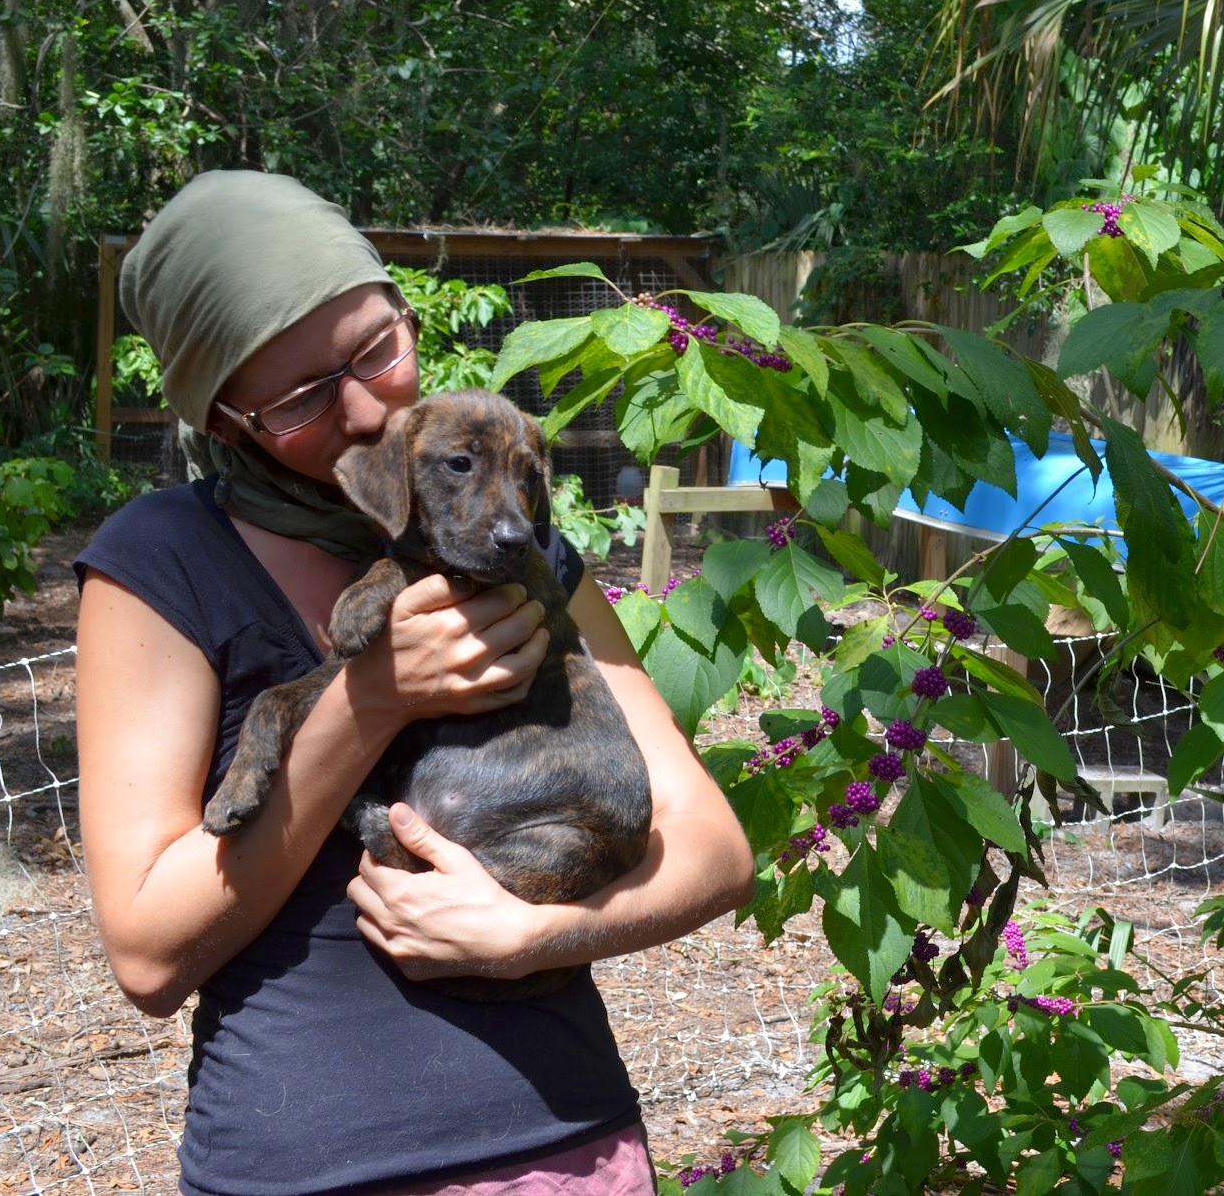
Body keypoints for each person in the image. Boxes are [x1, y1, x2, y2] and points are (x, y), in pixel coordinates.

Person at [73, 171, 754, 1196]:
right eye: (299, 397)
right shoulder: (164, 563)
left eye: (375, 348)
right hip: (313, 1170)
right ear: (224, 417)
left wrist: (541, 934)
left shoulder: (512, 544)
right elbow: (149, 956)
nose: (365, 404)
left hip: (564, 1145)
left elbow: (714, 849)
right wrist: (376, 696)